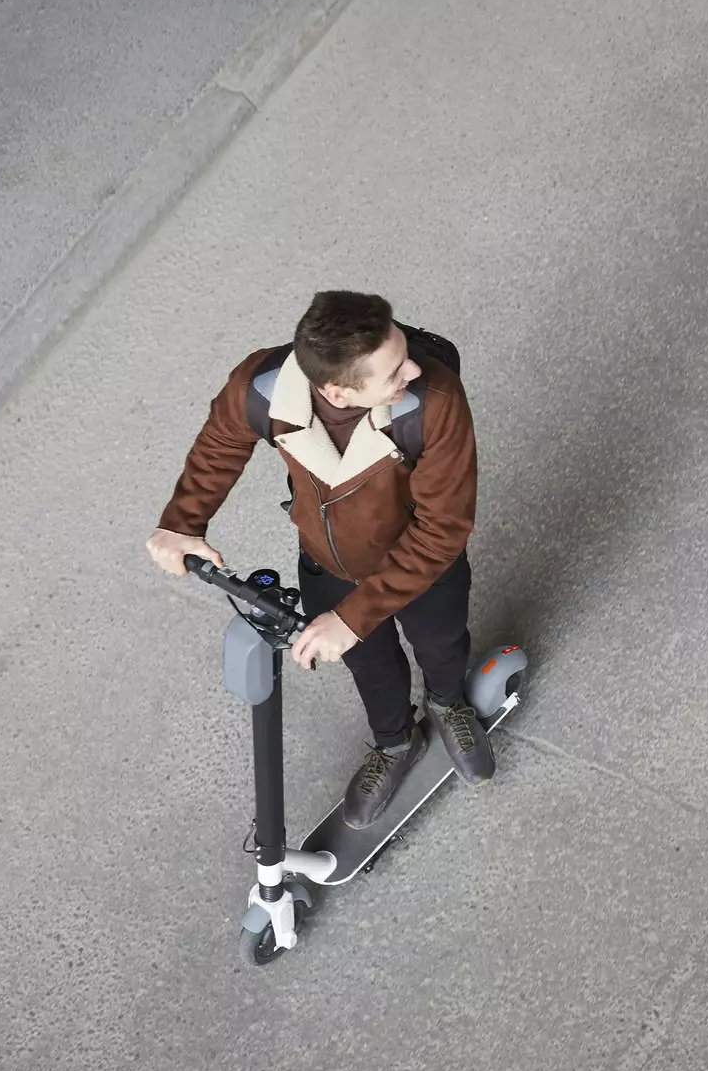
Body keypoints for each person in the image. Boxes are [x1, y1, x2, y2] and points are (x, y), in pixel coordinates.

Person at [145, 290, 493, 829]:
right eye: (395, 369)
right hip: (328, 564)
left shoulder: (435, 403)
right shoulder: (261, 389)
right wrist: (180, 524)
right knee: (369, 666)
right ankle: (395, 743)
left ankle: (449, 705)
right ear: (336, 390)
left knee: (441, 642)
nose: (415, 369)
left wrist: (353, 618)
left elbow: (442, 530)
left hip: (425, 565)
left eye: (403, 349)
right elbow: (219, 444)